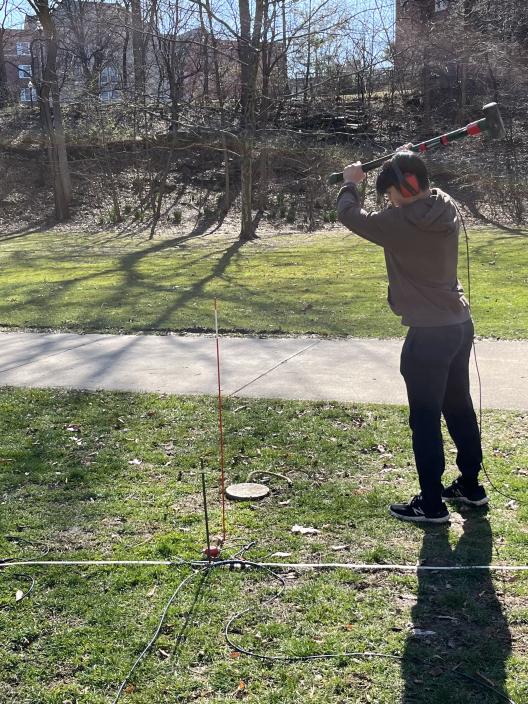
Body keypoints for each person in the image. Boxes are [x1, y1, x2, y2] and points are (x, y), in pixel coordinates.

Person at [337, 149, 488, 524]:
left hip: (427, 336)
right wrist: (401, 162)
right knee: (458, 406)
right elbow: (419, 182)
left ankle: (432, 504)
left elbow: (349, 215)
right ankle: (471, 485)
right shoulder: (445, 205)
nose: (388, 200)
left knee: (424, 417)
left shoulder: (398, 222)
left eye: (390, 193)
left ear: (404, 189)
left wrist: (349, 184)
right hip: (458, 324)